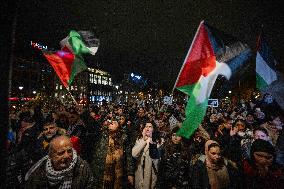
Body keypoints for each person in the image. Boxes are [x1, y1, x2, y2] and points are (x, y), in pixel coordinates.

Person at [25, 135, 94, 189]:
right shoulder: (41, 169)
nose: (67, 156)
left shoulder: (82, 168)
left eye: (69, 151)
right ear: (51, 155)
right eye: (61, 153)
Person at [89, 118, 134, 188]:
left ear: (119, 126)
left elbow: (128, 157)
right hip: (102, 172)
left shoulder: (124, 138)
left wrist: (130, 173)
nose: (111, 123)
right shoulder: (102, 135)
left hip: (118, 174)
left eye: (114, 122)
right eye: (111, 122)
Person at [132, 120, 162, 189]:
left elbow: (157, 160)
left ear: (153, 129)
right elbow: (134, 154)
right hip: (140, 174)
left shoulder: (159, 141)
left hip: (151, 175)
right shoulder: (139, 139)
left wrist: (151, 141)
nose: (148, 128)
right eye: (146, 126)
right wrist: (144, 140)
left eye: (150, 126)